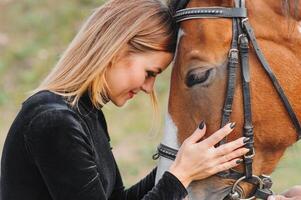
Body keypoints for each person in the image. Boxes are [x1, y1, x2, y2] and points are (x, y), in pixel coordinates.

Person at [0, 0, 260, 199]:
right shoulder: (54, 121)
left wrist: (182, 163)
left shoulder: (84, 114)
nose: (149, 87)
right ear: (117, 50)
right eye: (150, 73)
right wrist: (180, 174)